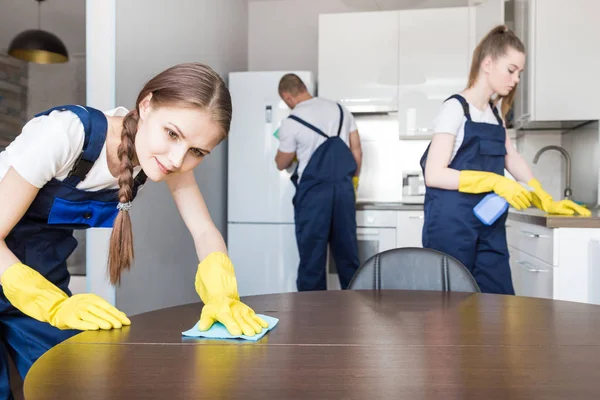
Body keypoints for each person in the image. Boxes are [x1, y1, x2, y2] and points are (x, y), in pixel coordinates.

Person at [0, 63, 268, 398]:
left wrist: (223, 295)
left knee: (63, 382)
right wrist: (52, 306)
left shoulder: (161, 158)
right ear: (146, 104)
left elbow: (203, 230)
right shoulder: (66, 134)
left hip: (39, 271)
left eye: (197, 152)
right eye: (172, 134)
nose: (176, 160)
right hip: (12, 267)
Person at [420, 25, 591, 295]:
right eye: (511, 70)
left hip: (489, 223)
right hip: (451, 226)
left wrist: (543, 197)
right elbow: (434, 174)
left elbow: (512, 157)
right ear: (487, 63)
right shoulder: (454, 109)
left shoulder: (495, 112)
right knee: (449, 311)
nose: (516, 80)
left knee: (498, 305)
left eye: (520, 73)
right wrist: (494, 181)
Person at [274, 73, 363, 291]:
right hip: (343, 191)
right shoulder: (341, 109)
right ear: (304, 87)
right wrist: (353, 182)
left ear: (287, 97)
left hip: (313, 194)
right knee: (348, 256)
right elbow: (356, 150)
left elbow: (281, 162)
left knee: (312, 259)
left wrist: (288, 156)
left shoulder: (291, 121)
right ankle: (358, 313)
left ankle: (312, 320)